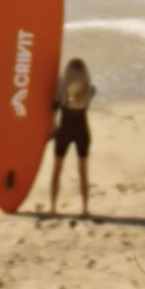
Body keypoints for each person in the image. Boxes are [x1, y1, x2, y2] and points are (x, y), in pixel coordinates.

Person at [44, 58, 95, 217]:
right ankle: (85, 209)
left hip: (64, 130)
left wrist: (52, 129)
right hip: (82, 130)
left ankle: (53, 208)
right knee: (83, 171)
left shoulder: (63, 89)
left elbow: (54, 107)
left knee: (57, 170)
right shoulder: (90, 90)